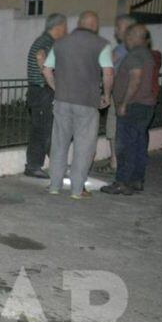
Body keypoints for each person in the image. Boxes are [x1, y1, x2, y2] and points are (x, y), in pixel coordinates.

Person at [41, 11, 114, 199]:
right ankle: (76, 190)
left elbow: (47, 69)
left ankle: (54, 186)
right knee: (84, 146)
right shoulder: (101, 45)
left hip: (62, 100)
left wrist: (57, 88)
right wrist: (106, 94)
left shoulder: (60, 43)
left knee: (59, 144)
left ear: (79, 23)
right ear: (95, 26)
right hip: (87, 102)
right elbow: (108, 73)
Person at [101, 24, 157, 196]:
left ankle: (122, 182)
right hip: (146, 105)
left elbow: (135, 79)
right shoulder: (147, 55)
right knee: (139, 144)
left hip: (133, 106)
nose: (125, 39)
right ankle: (136, 180)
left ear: (133, 37)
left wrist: (124, 103)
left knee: (125, 146)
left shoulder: (134, 56)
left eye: (128, 36)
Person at [24, 13, 67, 178]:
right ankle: (41, 166)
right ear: (58, 27)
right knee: (45, 130)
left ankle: (37, 165)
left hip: (38, 91)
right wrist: (54, 85)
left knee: (40, 130)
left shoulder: (43, 40)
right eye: (64, 27)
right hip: (43, 91)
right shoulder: (47, 42)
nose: (66, 31)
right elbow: (41, 58)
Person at [102, 15, 137, 174]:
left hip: (120, 94)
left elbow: (108, 69)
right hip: (133, 96)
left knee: (114, 128)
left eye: (119, 27)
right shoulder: (139, 47)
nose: (116, 30)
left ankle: (115, 163)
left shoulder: (121, 49)